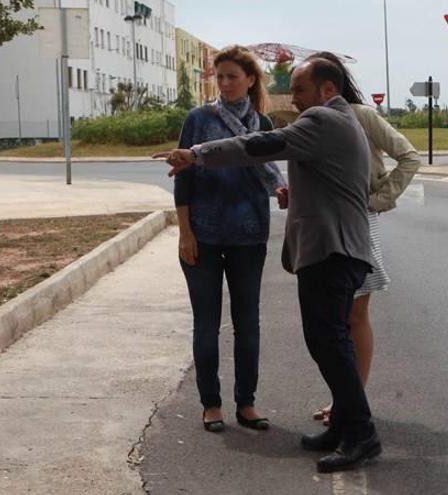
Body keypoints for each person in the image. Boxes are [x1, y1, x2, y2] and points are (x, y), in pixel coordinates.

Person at [154, 58, 381, 473]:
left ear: (327, 90)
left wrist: (197, 153)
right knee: (326, 343)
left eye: (298, 89)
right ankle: (346, 425)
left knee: (330, 344)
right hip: (333, 248)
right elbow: (328, 180)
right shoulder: (338, 120)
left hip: (331, 251)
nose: (292, 98)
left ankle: (361, 433)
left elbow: (256, 145)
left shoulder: (323, 120)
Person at [172, 45, 286, 434]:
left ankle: (247, 403)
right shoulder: (198, 119)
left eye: (232, 76)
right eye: (219, 77)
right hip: (202, 235)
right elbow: (183, 178)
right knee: (206, 324)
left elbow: (272, 174)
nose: (224, 84)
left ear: (251, 80)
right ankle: (211, 404)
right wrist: (185, 232)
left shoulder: (264, 124)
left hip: (250, 235)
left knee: (247, 323)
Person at [306, 52, 421, 426]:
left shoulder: (360, 115)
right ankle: (346, 401)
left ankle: (352, 403)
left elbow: (409, 156)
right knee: (331, 322)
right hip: (324, 228)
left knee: (355, 315)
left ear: (329, 85)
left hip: (359, 223)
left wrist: (379, 200)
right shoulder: (308, 121)